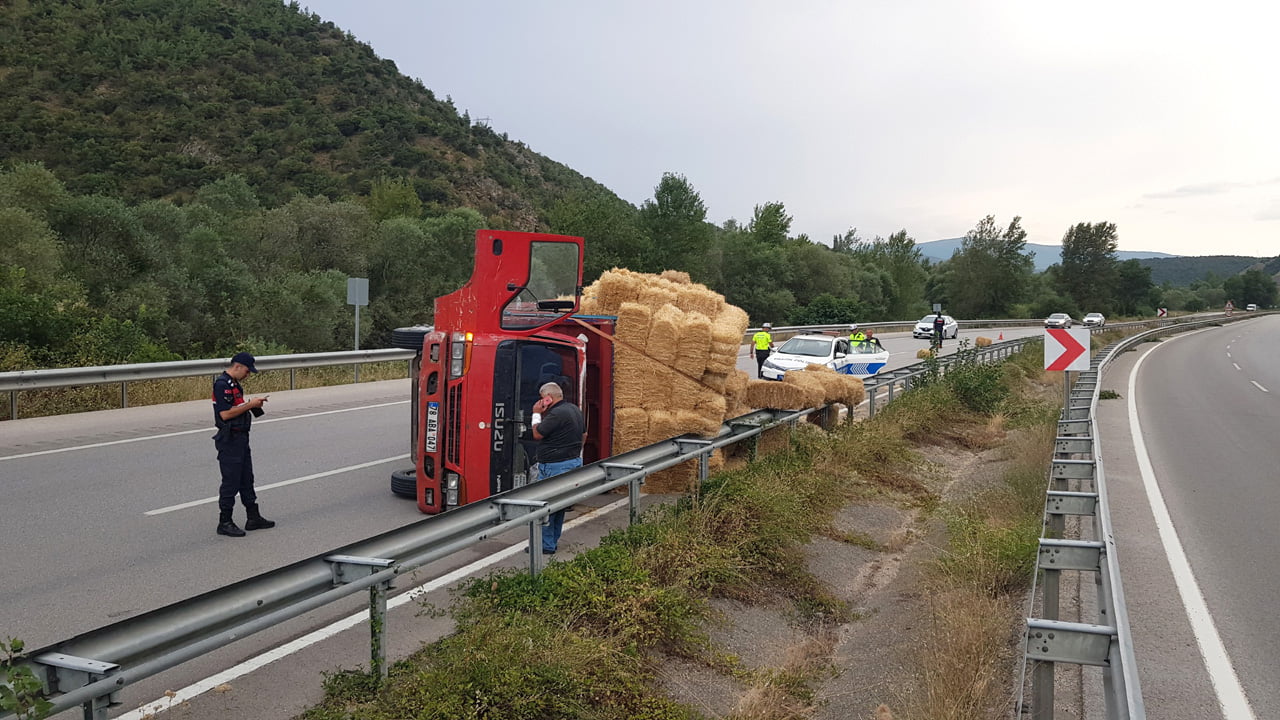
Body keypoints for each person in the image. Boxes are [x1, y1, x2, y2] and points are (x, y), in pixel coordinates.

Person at [212, 352, 274, 537]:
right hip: (230, 439)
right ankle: (225, 521)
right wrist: (250, 405)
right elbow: (225, 414)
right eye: (247, 371)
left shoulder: (234, 384)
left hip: (241, 437)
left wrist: (253, 405)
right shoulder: (222, 384)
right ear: (237, 366)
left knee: (247, 478)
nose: (248, 375)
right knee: (231, 481)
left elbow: (237, 407)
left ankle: (253, 516)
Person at [529, 381, 586, 554]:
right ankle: (551, 541)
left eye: (542, 399)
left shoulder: (556, 414)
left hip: (554, 466)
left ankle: (544, 545)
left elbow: (537, 433)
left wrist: (536, 414)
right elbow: (584, 434)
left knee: (545, 506)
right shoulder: (574, 409)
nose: (540, 402)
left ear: (548, 398)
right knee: (559, 506)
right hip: (571, 461)